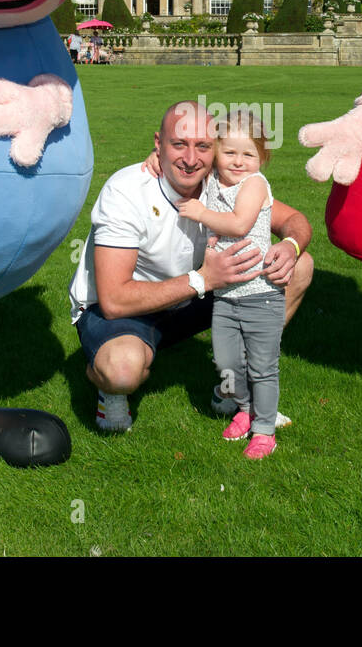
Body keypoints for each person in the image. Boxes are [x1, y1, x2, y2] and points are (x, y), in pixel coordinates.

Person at [68, 100, 313, 433]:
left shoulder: (220, 179)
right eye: (178, 144)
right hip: (123, 310)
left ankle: (235, 382)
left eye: (202, 146)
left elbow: (295, 220)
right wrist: (204, 279)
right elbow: (114, 301)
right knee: (122, 371)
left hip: (190, 294)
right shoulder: (126, 191)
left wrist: (290, 245)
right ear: (158, 144)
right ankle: (107, 389)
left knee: (298, 267)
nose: (190, 158)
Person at [175, 108, 284, 459]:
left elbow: (238, 224)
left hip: (261, 294)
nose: (238, 161)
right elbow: (188, 165)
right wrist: (153, 158)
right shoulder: (213, 183)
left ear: (261, 158)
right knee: (225, 362)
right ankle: (244, 408)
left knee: (262, 367)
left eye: (248, 154)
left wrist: (200, 213)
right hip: (225, 296)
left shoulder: (255, 184)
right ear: (216, 152)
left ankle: (265, 428)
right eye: (230, 152)